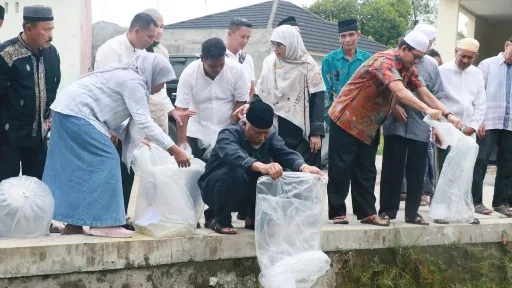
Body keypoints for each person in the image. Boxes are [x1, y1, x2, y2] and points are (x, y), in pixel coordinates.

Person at [43, 53, 191, 238]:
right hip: (77, 114)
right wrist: (174, 149)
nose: (161, 88)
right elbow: (144, 121)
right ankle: (106, 223)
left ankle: (74, 225)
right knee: (107, 159)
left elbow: (111, 112)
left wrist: (134, 137)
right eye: (162, 82)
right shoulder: (134, 82)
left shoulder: (128, 77)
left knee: (80, 169)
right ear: (153, 74)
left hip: (68, 112)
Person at [326, 30, 462, 226]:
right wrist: (426, 110)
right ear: (404, 49)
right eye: (415, 57)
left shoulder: (408, 66)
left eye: (420, 58)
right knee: (341, 167)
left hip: (369, 123)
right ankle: (338, 212)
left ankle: (366, 213)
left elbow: (424, 92)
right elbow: (399, 91)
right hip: (346, 118)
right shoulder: (384, 61)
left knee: (366, 169)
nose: (416, 62)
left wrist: (449, 115)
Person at [95, 12, 188, 215]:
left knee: (127, 170)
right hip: (109, 121)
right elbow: (106, 93)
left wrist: (136, 133)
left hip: (131, 120)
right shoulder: (111, 50)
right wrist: (112, 128)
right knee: (112, 172)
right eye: (149, 37)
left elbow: (154, 90)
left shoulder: (143, 52)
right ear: (137, 30)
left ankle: (120, 217)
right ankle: (108, 218)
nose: (152, 41)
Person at [198, 101, 325, 234]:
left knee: (275, 174)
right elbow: (233, 154)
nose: (261, 138)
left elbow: (285, 152)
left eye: (266, 133)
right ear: (245, 124)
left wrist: (303, 166)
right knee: (236, 172)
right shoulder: (228, 134)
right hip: (213, 189)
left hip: (243, 193)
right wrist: (261, 166)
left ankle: (253, 216)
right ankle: (219, 219)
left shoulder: (271, 137)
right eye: (257, 133)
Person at [380, 27, 449, 225]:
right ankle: (387, 212)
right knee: (391, 169)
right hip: (396, 123)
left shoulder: (430, 66)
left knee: (417, 171)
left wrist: (438, 124)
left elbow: (434, 95)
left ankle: (412, 212)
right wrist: (393, 108)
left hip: (420, 124)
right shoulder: (391, 60)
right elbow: (386, 90)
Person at [0, 5, 61, 182]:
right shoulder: (6, 55)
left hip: (39, 138)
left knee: (36, 187)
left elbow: (54, 87)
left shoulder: (52, 53)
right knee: (6, 188)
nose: (50, 35)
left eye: (52, 29)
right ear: (28, 28)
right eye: (46, 30)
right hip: (9, 138)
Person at [255, 25, 325, 168]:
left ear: (292, 44)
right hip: (276, 125)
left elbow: (318, 100)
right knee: (278, 171)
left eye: (280, 45)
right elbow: (261, 92)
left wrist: (316, 133)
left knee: (303, 171)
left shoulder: (308, 66)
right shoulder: (270, 62)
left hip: (301, 130)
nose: (276, 48)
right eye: (273, 44)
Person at [175, 37, 249, 162]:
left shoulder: (236, 70)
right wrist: (182, 143)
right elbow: (181, 111)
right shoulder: (189, 73)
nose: (218, 69)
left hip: (226, 130)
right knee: (194, 174)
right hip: (196, 131)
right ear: (202, 58)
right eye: (213, 66)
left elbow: (241, 102)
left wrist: (230, 130)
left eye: (221, 65)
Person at [321, 19, 371, 170]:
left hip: (362, 122)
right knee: (338, 167)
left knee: (361, 167)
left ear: (359, 35)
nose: (347, 40)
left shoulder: (368, 59)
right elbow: (326, 92)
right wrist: (330, 119)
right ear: (338, 38)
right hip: (337, 120)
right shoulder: (329, 60)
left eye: (351, 35)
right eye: (343, 36)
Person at [472, 36, 512, 217]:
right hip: (488, 122)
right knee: (480, 161)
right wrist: (478, 120)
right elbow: (477, 95)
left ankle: (501, 202)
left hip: (510, 124)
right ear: (507, 45)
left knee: (508, 164)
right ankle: (476, 201)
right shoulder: (487, 65)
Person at [438, 38, 486, 173]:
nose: (465, 60)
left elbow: (480, 103)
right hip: (446, 128)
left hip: (468, 131)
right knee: (443, 170)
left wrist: (473, 126)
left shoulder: (476, 73)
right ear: (455, 51)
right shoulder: (442, 70)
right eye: (462, 56)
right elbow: (436, 99)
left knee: (463, 172)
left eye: (470, 58)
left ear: (476, 57)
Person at [142, 8, 186, 138]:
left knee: (162, 150)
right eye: (157, 26)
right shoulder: (137, 50)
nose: (160, 31)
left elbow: (162, 88)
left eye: (162, 27)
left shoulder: (162, 51)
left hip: (160, 113)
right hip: (142, 113)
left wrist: (171, 110)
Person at [226, 18, 256, 97]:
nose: (245, 41)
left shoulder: (248, 59)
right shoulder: (218, 58)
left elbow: (252, 90)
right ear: (230, 34)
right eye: (242, 36)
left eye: (248, 37)